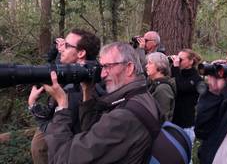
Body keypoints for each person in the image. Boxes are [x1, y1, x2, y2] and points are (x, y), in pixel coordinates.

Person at [42, 42, 159, 163]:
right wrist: (87, 91)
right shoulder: (141, 96)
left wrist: (61, 105)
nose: (102, 74)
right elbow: (93, 131)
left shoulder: (123, 116)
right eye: (101, 67)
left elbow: (63, 159)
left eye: (108, 66)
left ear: (129, 68)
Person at [28, 29, 101, 164]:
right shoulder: (80, 77)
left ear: (81, 53)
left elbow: (55, 131)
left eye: (66, 45)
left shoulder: (79, 90)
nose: (61, 48)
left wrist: (33, 106)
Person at [170, 49, 203, 144]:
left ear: (191, 61)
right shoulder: (180, 74)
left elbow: (180, 87)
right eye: (177, 58)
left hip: (186, 125)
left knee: (185, 157)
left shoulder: (196, 79)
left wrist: (175, 68)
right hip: (174, 121)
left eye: (181, 59)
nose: (178, 61)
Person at [146, 52, 176, 121]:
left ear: (160, 66)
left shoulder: (163, 88)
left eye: (150, 63)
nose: (146, 66)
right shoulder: (153, 84)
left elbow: (163, 118)